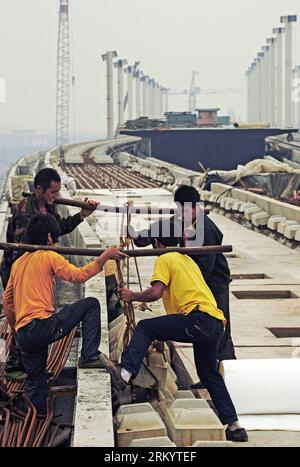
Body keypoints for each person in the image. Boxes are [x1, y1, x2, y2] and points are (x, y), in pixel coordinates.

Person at [104, 228, 247, 442]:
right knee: (209, 375)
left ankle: (124, 374)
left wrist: (131, 295)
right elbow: (180, 305)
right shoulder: (187, 260)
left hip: (197, 319)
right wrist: (163, 337)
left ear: (158, 243)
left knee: (145, 327)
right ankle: (235, 426)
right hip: (215, 323)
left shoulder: (165, 258)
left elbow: (154, 293)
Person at [2, 213, 127, 414]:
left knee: (36, 380)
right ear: (50, 237)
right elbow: (79, 276)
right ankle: (89, 354)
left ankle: (38, 416)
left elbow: (7, 303)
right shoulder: (49, 256)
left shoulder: (18, 263)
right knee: (91, 304)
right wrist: (104, 256)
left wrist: (17, 328)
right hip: (42, 326)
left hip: (25, 334)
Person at [0, 167, 99, 381]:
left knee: (32, 317)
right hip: (18, 268)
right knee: (24, 317)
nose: (56, 196)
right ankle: (15, 365)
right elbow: (26, 246)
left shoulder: (46, 208)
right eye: (52, 192)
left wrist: (82, 215)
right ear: (39, 190)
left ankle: (33, 370)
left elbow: (58, 227)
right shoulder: (27, 212)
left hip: (31, 268)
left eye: (57, 192)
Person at [128, 185, 236, 361]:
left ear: (196, 208)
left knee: (219, 327)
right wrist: (138, 236)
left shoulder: (206, 230)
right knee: (202, 332)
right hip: (194, 276)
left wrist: (179, 279)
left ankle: (228, 367)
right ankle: (208, 372)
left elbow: (204, 268)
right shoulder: (180, 219)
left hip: (214, 282)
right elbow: (160, 231)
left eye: (185, 210)